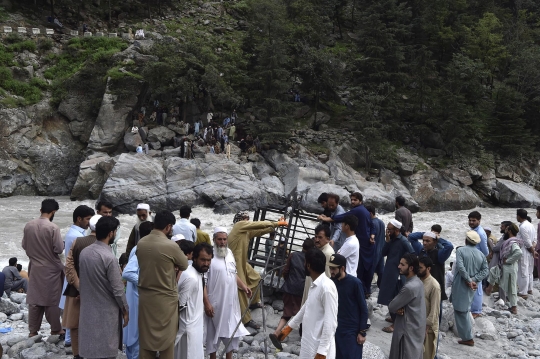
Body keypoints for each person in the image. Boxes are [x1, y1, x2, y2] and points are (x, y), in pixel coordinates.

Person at [137, 211, 188, 359]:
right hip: (166, 299)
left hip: (146, 298)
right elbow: (184, 264)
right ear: (168, 226)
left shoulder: (141, 243)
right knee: (167, 343)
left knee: (146, 340)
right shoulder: (170, 245)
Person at [271, 248, 338, 359]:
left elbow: (331, 323)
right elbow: (305, 309)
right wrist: (287, 329)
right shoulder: (315, 284)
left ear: (308, 265)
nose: (303, 264)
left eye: (305, 262)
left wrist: (322, 353)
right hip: (308, 344)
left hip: (320, 349)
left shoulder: (327, 287)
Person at [78, 216, 128, 359]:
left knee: (89, 348)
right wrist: (125, 310)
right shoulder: (109, 257)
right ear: (111, 233)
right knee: (106, 350)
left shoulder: (85, 252)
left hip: (88, 308)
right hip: (106, 311)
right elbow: (118, 289)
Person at [227, 212, 287, 329]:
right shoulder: (238, 226)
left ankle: (254, 303)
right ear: (240, 220)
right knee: (241, 290)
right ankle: (246, 320)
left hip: (243, 262)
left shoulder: (246, 232)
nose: (248, 221)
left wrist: (276, 226)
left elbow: (261, 229)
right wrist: (277, 223)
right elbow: (257, 224)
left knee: (257, 278)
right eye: (246, 219)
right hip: (234, 264)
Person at [204, 228, 251, 359]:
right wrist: (206, 303)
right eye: (220, 239)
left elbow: (233, 274)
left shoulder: (229, 253)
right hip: (215, 302)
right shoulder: (208, 256)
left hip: (231, 302)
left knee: (231, 331)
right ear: (214, 240)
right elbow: (203, 282)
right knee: (212, 333)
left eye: (225, 239)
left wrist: (243, 286)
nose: (222, 242)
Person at [22, 198, 65, 338]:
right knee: (52, 299)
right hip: (51, 267)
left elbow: (24, 245)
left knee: (34, 299)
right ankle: (55, 328)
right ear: (53, 212)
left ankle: (33, 331)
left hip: (34, 266)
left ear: (41, 210)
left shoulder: (28, 225)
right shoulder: (53, 228)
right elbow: (58, 249)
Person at [320, 192, 375, 297]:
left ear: (360, 201)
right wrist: (372, 235)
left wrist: (327, 219)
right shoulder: (365, 211)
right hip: (367, 244)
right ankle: (365, 291)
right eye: (352, 200)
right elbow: (372, 225)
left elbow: (343, 217)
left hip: (363, 246)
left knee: (361, 268)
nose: (353, 202)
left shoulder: (357, 210)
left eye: (355, 200)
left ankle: (363, 291)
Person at [62, 214, 101, 359]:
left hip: (75, 290)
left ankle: (77, 354)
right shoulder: (103, 244)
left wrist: (79, 286)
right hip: (96, 292)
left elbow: (69, 266)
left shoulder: (77, 241)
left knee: (74, 324)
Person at [60, 205, 95, 346]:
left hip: (72, 274)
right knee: (74, 309)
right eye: (87, 219)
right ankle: (70, 339)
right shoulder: (77, 236)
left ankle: (70, 338)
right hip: (75, 275)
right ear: (79, 219)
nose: (89, 223)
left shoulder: (74, 233)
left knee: (72, 308)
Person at [450, 231, 489, 346]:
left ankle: (468, 338)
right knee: (465, 308)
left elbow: (461, 267)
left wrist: (468, 279)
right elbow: (485, 271)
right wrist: (474, 279)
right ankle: (467, 336)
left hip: (461, 283)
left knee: (461, 310)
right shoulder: (481, 254)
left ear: (466, 240)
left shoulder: (460, 250)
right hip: (472, 285)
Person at [175, 243, 213, 359]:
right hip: (188, 330)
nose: (206, 264)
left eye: (208, 260)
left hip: (195, 328)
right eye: (203, 260)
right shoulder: (191, 277)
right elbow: (180, 305)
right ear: (194, 258)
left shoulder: (198, 273)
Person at [122, 221, 154, 359]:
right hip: (137, 296)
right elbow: (127, 273)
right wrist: (145, 283)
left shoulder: (140, 247)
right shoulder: (140, 249)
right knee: (136, 334)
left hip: (137, 296)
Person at [328, 253, 369, 359]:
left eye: (333, 269)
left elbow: (363, 308)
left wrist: (362, 332)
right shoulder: (331, 282)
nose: (331, 271)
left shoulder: (355, 283)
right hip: (336, 329)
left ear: (342, 268)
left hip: (351, 331)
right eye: (330, 268)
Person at [378, 219, 415, 333]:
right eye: (387, 229)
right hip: (389, 271)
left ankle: (396, 324)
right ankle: (393, 317)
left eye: (390, 229)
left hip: (397, 275)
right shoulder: (392, 239)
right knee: (388, 296)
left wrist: (404, 266)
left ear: (397, 230)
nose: (388, 231)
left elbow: (412, 254)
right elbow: (383, 253)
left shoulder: (403, 241)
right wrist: (387, 241)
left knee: (396, 299)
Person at [388, 253, 426, 359]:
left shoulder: (410, 287)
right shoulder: (418, 282)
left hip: (407, 330)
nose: (399, 266)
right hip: (415, 328)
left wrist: (397, 307)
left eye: (402, 264)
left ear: (411, 268)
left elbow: (392, 306)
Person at [274, 238, 314, 336]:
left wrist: (288, 280)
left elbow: (285, 271)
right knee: (300, 314)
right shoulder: (310, 260)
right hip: (301, 290)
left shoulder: (293, 255)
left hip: (289, 287)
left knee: (286, 313)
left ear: (302, 246)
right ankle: (286, 333)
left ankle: (277, 331)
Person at [485, 223, 522, 314]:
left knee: (511, 287)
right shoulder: (509, 240)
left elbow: (519, 253)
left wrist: (508, 260)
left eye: (506, 230)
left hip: (510, 267)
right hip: (505, 266)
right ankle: (492, 291)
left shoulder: (512, 242)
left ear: (509, 231)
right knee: (494, 272)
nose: (504, 231)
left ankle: (514, 308)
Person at [301, 224, 335, 306]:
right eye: (315, 237)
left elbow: (327, 276)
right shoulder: (317, 250)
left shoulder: (328, 253)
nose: (316, 240)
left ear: (328, 239)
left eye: (320, 237)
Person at [418, 228, 453, 302]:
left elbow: (449, 246)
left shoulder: (439, 255)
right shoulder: (422, 251)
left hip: (436, 286)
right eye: (423, 240)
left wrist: (438, 238)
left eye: (427, 241)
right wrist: (426, 234)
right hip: (423, 286)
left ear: (435, 242)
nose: (424, 243)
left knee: (436, 309)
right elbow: (411, 237)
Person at [418, 256, 441, 359]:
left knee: (426, 355)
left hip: (428, 328)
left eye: (420, 267)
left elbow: (435, 310)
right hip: (417, 324)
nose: (418, 269)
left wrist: (426, 328)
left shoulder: (434, 286)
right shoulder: (417, 280)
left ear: (428, 269)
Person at [467, 211, 488, 318]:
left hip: (477, 262)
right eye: (470, 220)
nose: (471, 222)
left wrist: (478, 259)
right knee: (472, 284)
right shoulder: (473, 231)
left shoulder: (480, 233)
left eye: (474, 220)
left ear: (479, 221)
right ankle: (473, 307)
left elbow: (485, 251)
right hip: (472, 260)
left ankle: (476, 310)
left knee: (477, 286)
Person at [516, 209, 535, 298]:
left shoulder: (523, 227)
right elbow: (535, 240)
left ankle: (523, 292)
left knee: (523, 271)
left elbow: (526, 241)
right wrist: (533, 250)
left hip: (525, 250)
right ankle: (530, 289)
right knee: (529, 271)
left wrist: (532, 251)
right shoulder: (531, 225)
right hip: (530, 250)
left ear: (519, 216)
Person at [367, 205, 386, 289]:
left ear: (370, 213)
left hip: (374, 250)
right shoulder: (381, 222)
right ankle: (381, 288)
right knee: (381, 271)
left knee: (370, 270)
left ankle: (367, 289)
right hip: (381, 249)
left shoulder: (372, 223)